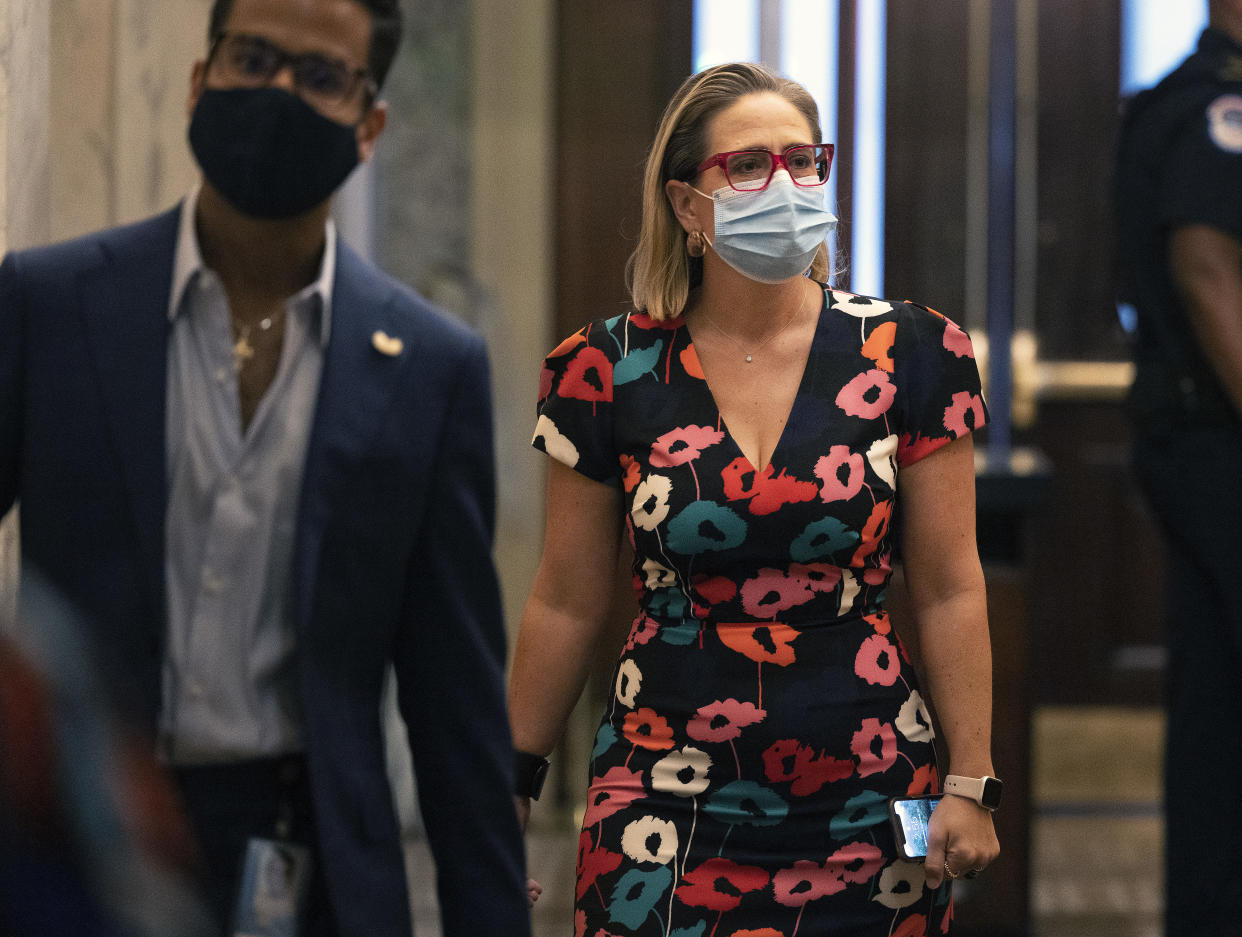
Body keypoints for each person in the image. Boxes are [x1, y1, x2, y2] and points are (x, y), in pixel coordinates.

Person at [0, 1, 531, 935]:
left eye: (321, 76)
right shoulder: (50, 305)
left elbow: (457, 711)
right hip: (81, 848)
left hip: (316, 869)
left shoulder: (432, 368)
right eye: (253, 58)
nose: (280, 91)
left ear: (370, 125)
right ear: (203, 80)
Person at [508, 62, 999, 936]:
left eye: (804, 161)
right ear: (686, 205)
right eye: (747, 166)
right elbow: (565, 599)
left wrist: (971, 780)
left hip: (876, 777)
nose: (784, 183)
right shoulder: (604, 367)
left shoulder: (916, 351)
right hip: (661, 782)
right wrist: (505, 786)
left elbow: (952, 585)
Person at [1114, 3, 1242, 934]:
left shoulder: (1174, 98)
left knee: (1215, 702)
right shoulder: (1218, 106)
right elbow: (1207, 265)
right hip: (1217, 438)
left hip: (1195, 436)